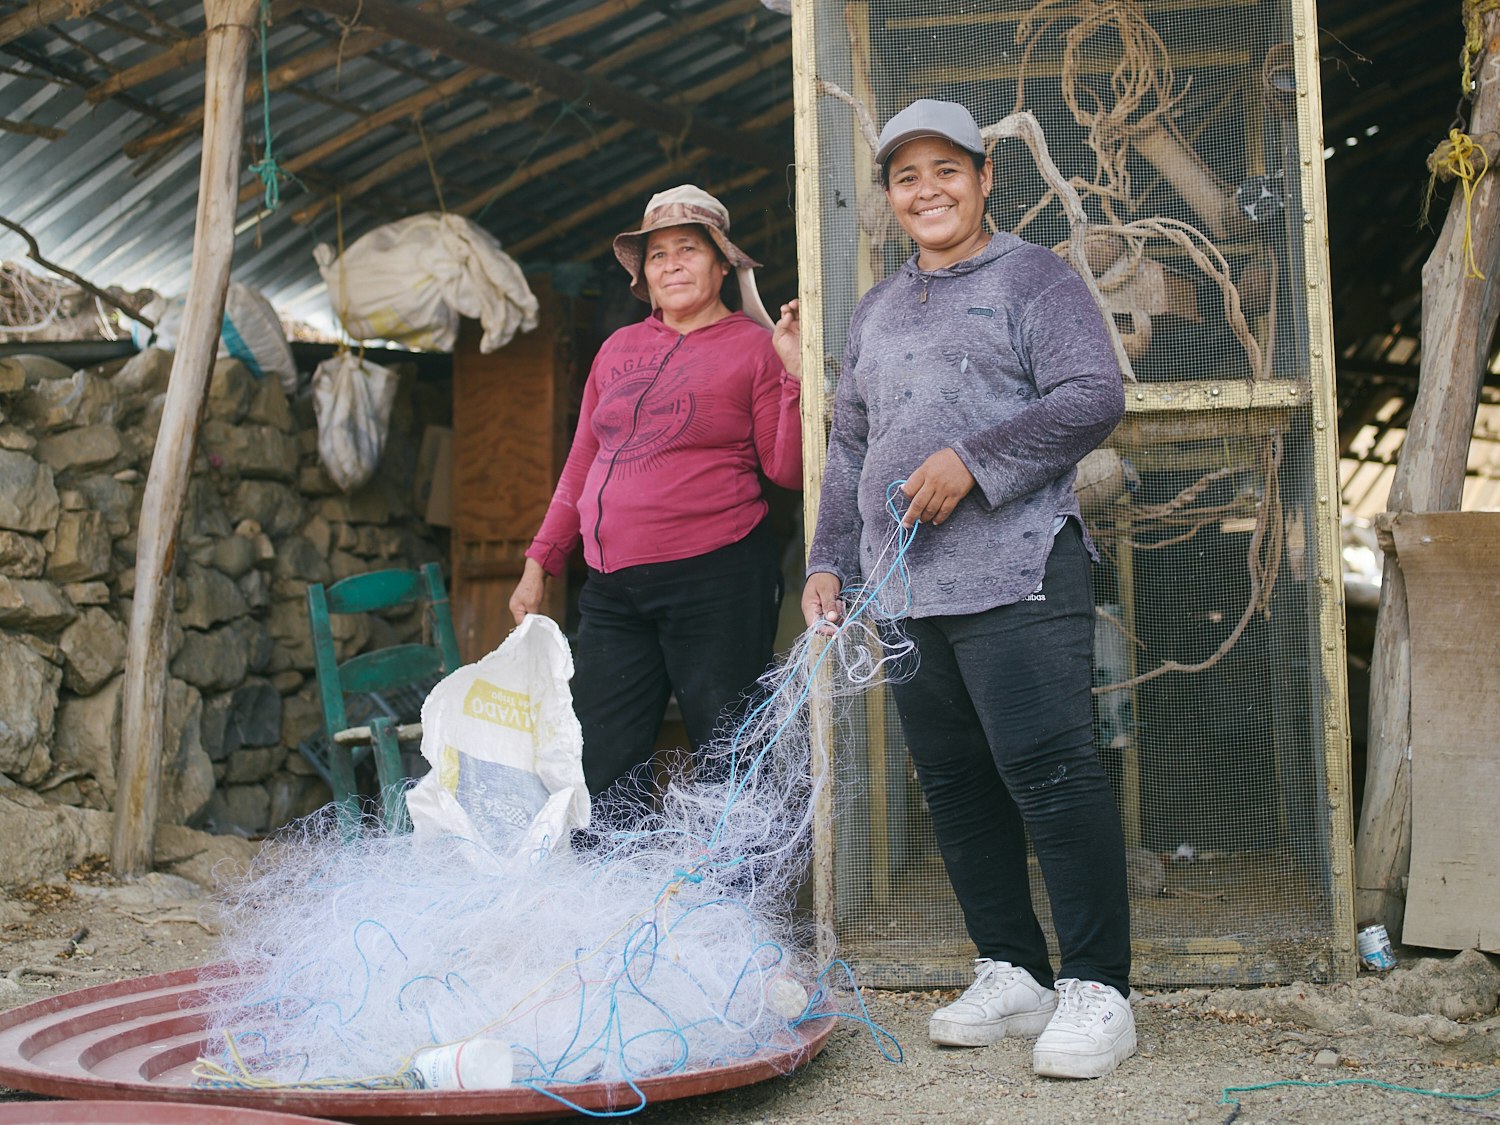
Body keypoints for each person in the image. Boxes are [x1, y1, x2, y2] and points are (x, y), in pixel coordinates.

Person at [801, 99, 1135, 1079]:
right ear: (890, 197)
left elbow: (1093, 396)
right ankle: (1014, 969)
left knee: (1051, 767)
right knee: (952, 782)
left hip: (1019, 566)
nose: (929, 190)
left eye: (947, 169)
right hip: (909, 590)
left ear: (985, 178)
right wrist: (830, 558)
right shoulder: (877, 306)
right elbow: (849, 446)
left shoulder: (1035, 278)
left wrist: (973, 463)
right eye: (908, 176)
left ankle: (1101, 987)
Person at [510, 185, 803, 797]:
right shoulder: (619, 348)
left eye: (689, 249)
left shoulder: (756, 347)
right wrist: (542, 559)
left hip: (716, 579)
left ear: (723, 262)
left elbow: (786, 471)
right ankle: (621, 892)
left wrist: (796, 375)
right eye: (657, 253)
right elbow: (583, 460)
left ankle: (736, 891)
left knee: (727, 754)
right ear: (643, 272)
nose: (671, 263)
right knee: (600, 760)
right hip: (612, 588)